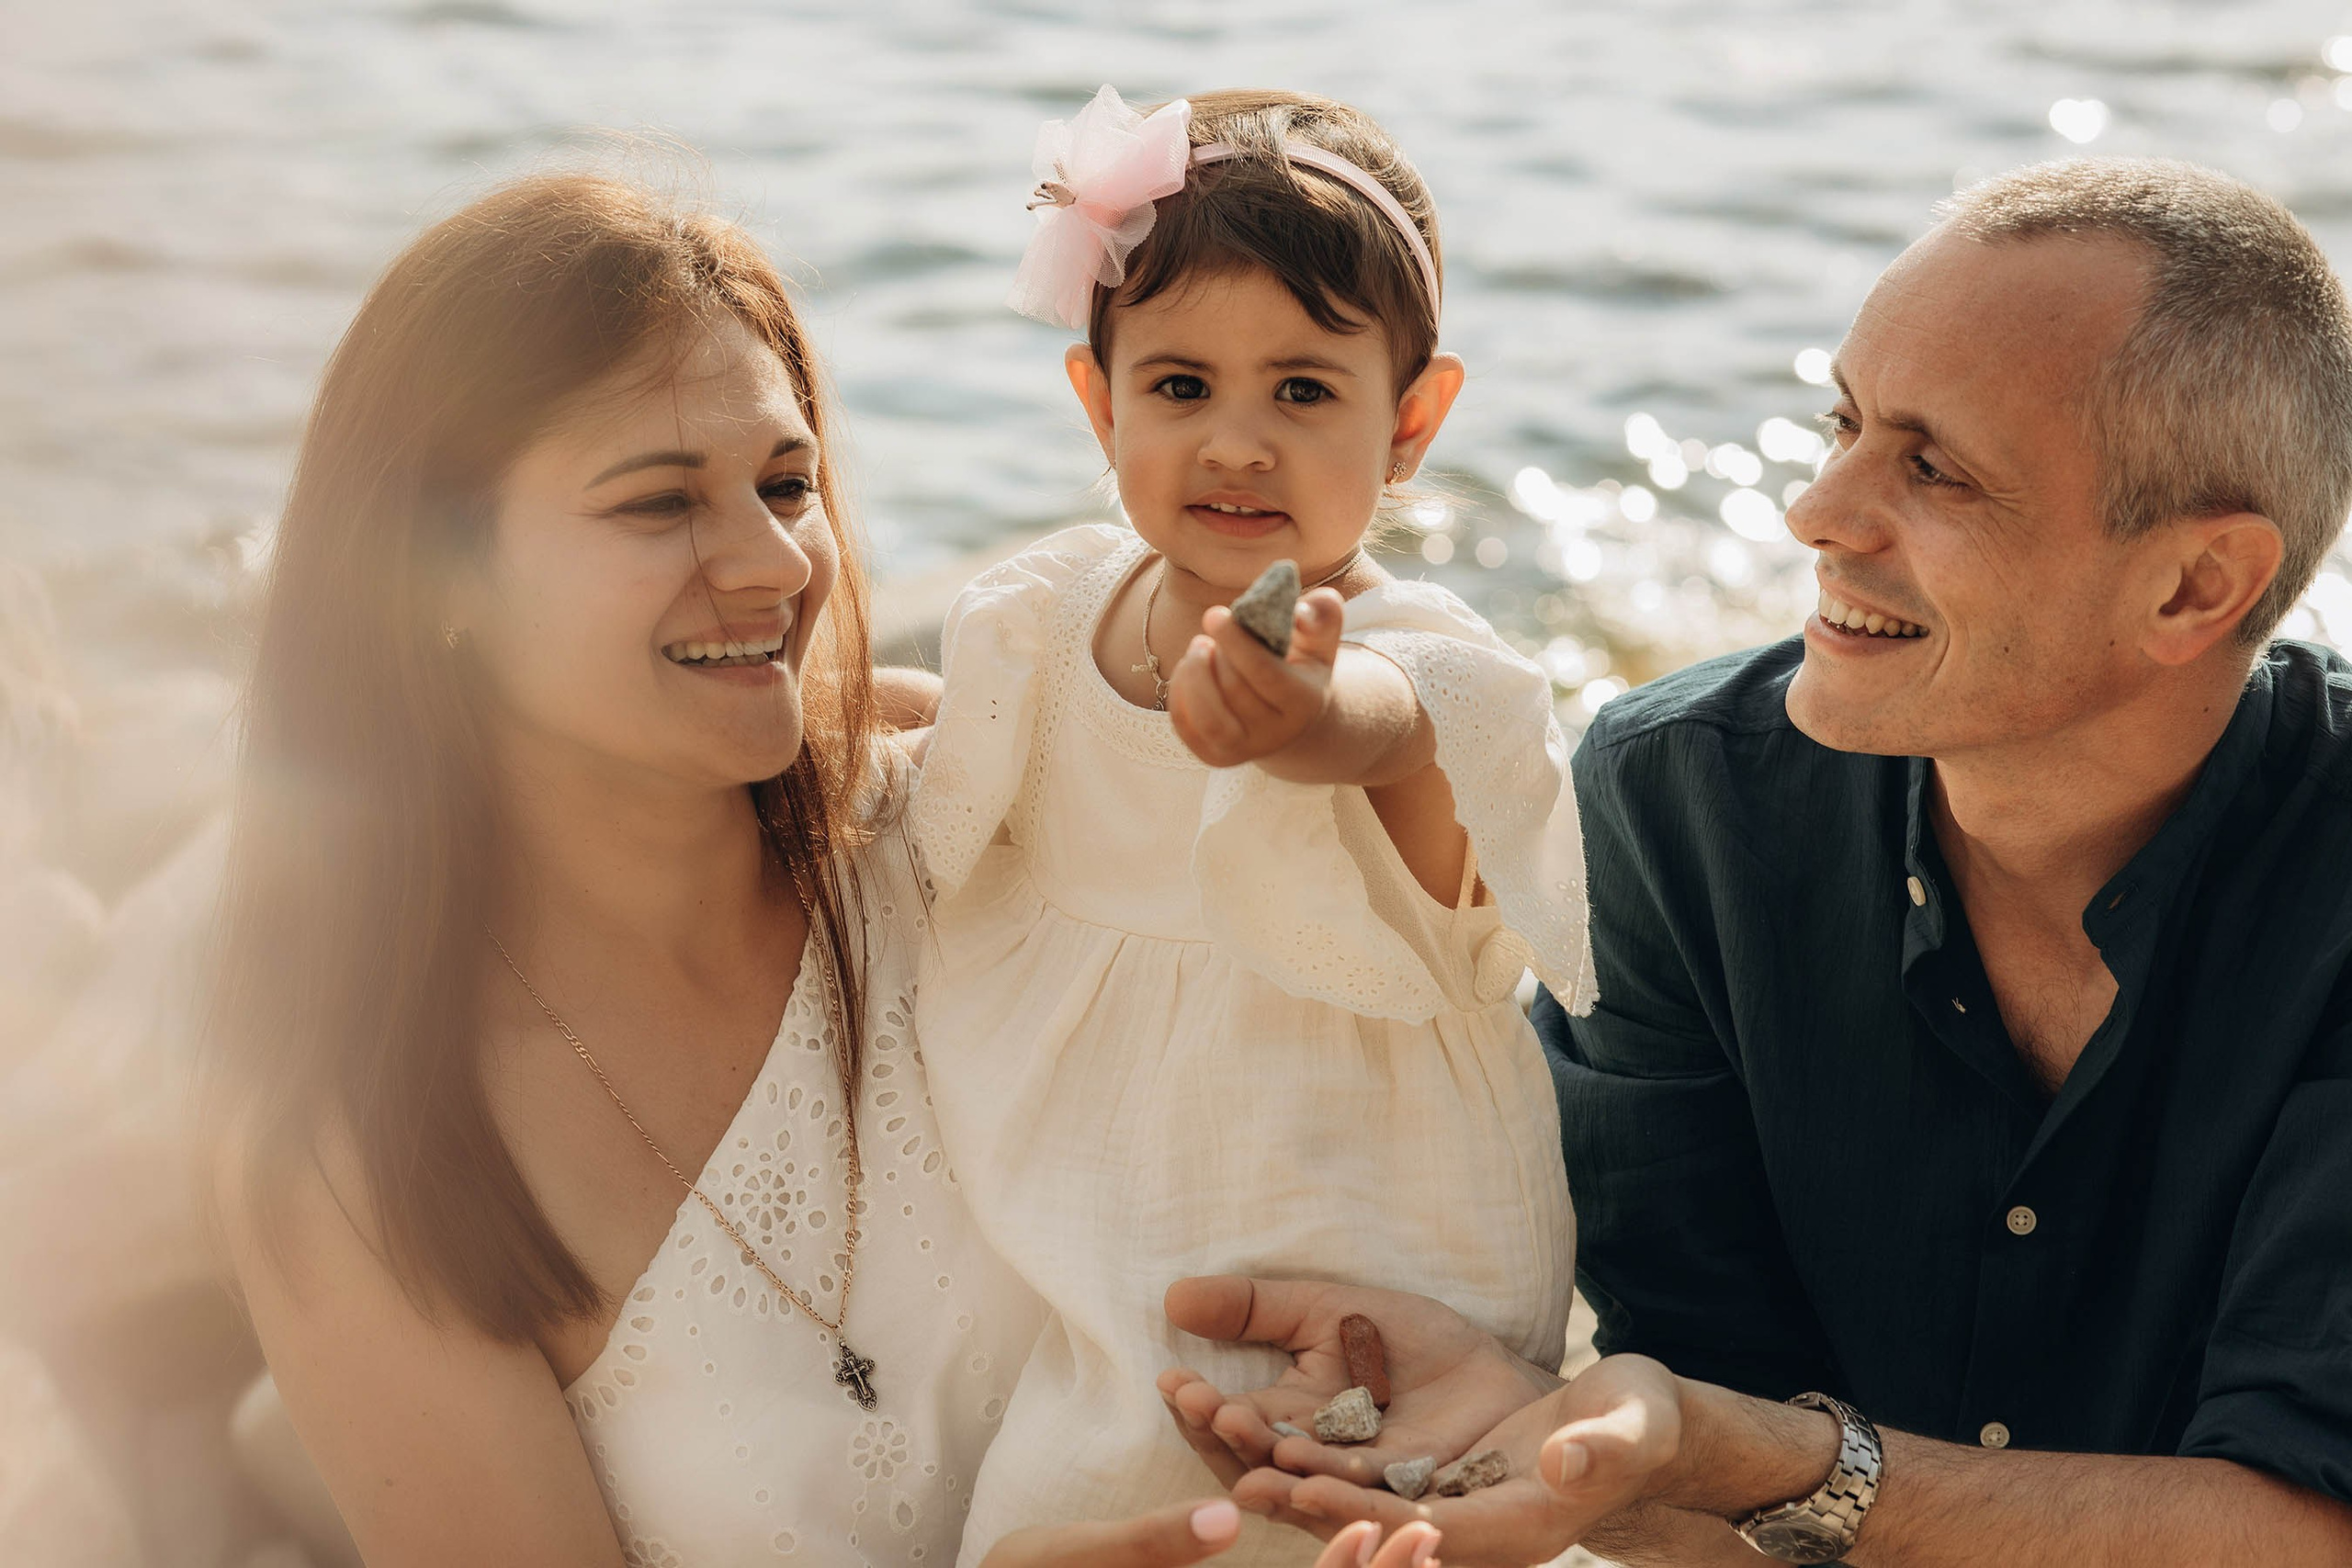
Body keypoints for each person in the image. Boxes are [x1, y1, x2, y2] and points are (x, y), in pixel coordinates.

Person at [201, 167, 1411, 1568]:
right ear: (439, 580)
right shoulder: (366, 1151)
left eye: (788, 483)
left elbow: (1365, 1028)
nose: (776, 564)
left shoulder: (970, 805)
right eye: (659, 506)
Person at [1162, 158, 2352, 1565]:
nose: (1818, 511)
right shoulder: (1679, 809)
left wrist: (1765, 1461)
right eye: (1842, 422)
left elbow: (2304, 1526)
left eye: (1933, 467)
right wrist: (1554, 1426)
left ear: (2193, 586)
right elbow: (1706, 1480)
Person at [906, 87, 1594, 1566]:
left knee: (1333, 1524)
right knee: (1071, 1515)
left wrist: (1307, 724)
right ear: (1099, 404)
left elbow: (1404, 722)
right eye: (1177, 389)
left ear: (1409, 424)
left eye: (1301, 390)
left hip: (1383, 1245)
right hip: (1089, 1229)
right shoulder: (1042, 621)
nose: (1235, 443)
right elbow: (935, 797)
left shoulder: (1414, 658)